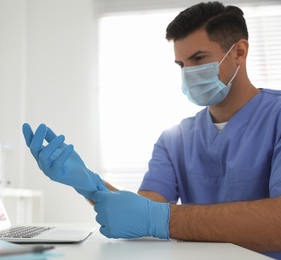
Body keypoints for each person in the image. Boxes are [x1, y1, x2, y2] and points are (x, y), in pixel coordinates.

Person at [22, 1, 281, 258]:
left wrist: (162, 220)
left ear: (239, 52)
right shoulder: (175, 139)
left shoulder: (276, 117)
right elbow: (142, 213)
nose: (188, 73)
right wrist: (88, 183)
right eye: (181, 64)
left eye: (199, 59)